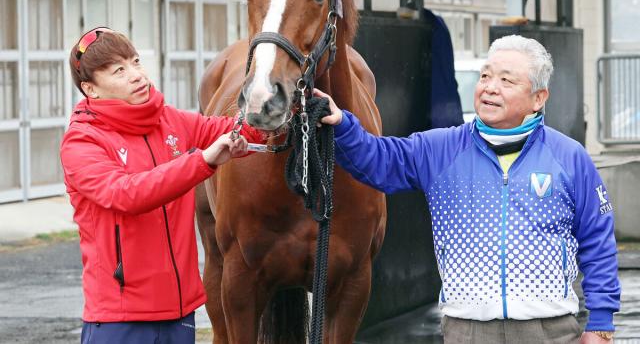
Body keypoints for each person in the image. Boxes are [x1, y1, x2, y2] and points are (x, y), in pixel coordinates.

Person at [316, 35, 620, 344]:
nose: (490, 87)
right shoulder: (441, 149)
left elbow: (598, 241)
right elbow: (379, 160)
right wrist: (342, 124)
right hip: (468, 331)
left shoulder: (570, 157)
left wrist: (600, 324)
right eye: (485, 76)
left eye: (506, 80)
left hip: (550, 331)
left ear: (538, 98)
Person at [59, 27, 264, 344]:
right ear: (91, 89)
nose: (136, 75)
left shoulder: (171, 120)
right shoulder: (82, 140)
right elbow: (127, 194)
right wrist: (202, 160)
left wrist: (281, 109)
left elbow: (239, 130)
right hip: (119, 320)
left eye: (136, 62)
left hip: (179, 315)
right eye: (119, 71)